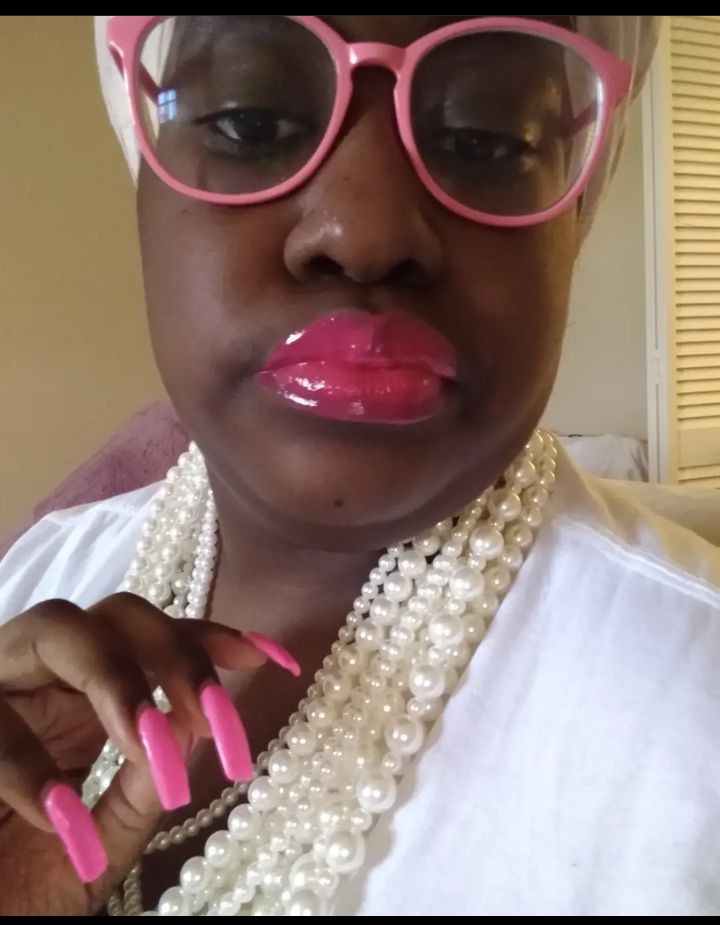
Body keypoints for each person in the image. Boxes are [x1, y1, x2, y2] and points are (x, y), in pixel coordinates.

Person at [3, 15, 717, 918]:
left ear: (580, 205)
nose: (365, 230)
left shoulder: (692, 715)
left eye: (486, 136)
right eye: (251, 121)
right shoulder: (40, 574)